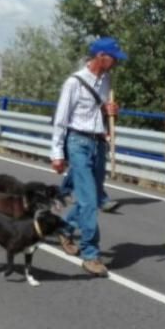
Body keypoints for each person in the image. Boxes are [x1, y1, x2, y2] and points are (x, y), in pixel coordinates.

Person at [50, 37, 126, 277]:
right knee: (89, 201)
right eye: (113, 58)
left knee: (88, 197)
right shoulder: (74, 83)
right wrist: (57, 153)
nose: (116, 63)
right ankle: (90, 254)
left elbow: (101, 112)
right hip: (78, 142)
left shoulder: (106, 81)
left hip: (98, 143)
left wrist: (110, 111)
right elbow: (61, 119)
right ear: (101, 56)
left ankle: (64, 227)